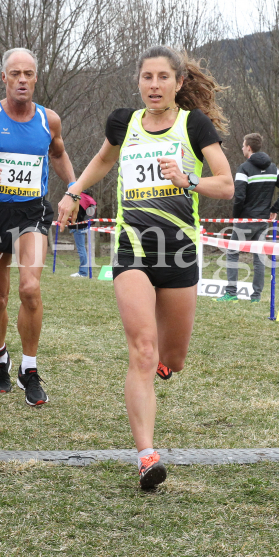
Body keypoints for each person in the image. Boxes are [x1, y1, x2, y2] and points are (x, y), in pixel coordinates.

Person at [57, 46, 234, 489]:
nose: (153, 85)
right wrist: (73, 191)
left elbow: (227, 185)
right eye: (146, 77)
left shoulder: (194, 126)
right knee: (142, 350)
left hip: (179, 252)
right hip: (132, 247)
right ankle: (146, 456)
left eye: (162, 78)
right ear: (138, 82)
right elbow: (104, 160)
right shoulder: (125, 123)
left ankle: (163, 367)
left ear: (178, 83)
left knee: (172, 358)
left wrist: (187, 180)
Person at [0, 47, 76, 407]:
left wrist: (74, 189)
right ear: (4, 78)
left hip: (31, 213)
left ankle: (30, 369)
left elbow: (57, 154)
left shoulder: (48, 120)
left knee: (30, 289)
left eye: (28, 73)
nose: (22, 79)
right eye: (15, 74)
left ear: (36, 77)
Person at [218, 133, 279, 303]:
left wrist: (236, 217)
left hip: (245, 220)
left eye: (243, 146)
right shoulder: (273, 168)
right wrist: (274, 209)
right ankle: (256, 297)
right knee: (258, 258)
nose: (242, 148)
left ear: (249, 148)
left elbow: (239, 197)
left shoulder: (244, 168)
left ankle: (231, 293)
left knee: (232, 253)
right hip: (262, 221)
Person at [69, 190, 96, 278]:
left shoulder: (78, 197)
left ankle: (83, 272)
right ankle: (84, 271)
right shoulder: (87, 198)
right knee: (82, 249)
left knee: (81, 249)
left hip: (78, 226)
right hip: (84, 226)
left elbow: (78, 212)